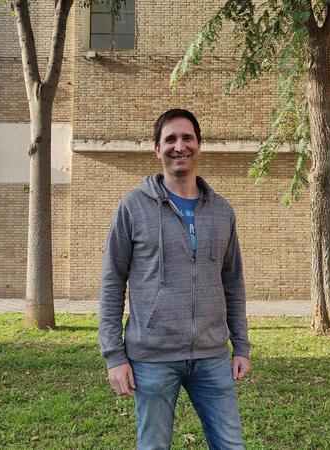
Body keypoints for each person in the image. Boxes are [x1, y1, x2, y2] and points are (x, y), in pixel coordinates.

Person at [98, 108, 251, 450]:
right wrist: (114, 356)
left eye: (187, 138)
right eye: (170, 139)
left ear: (199, 145)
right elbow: (112, 281)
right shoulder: (133, 207)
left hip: (212, 356)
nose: (179, 146)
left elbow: (232, 283)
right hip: (152, 357)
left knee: (231, 445)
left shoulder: (222, 211)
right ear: (157, 149)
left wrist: (241, 345)